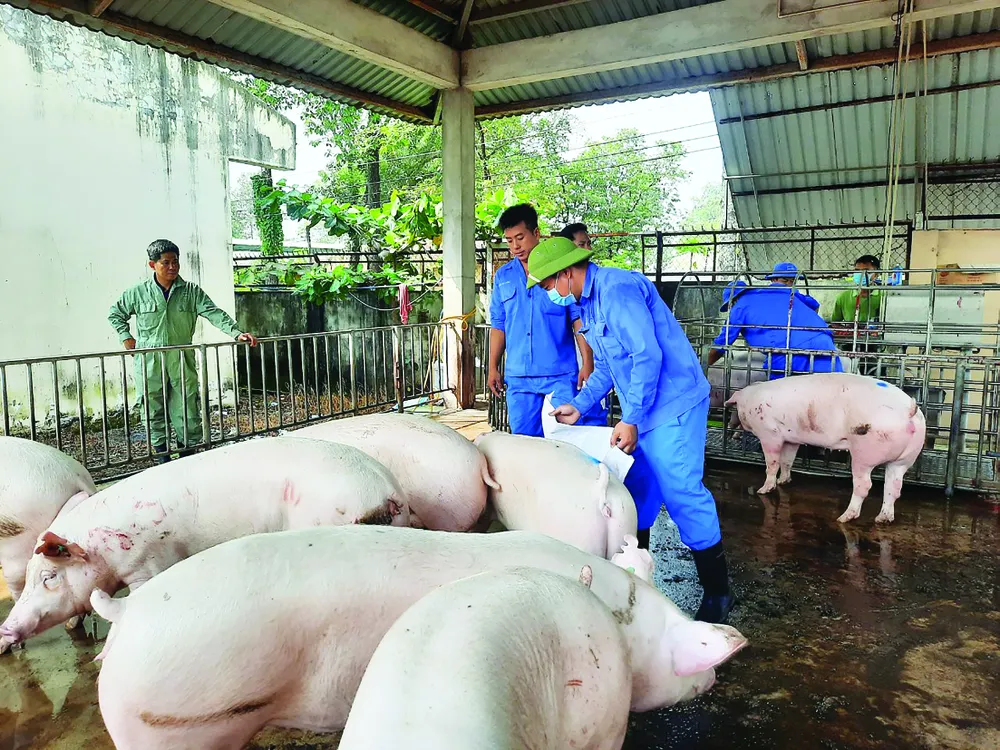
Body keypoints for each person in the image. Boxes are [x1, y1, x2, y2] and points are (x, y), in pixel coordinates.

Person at [527, 236, 734, 624]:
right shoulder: (587, 305)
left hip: (673, 403)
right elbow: (607, 366)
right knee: (638, 486)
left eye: (547, 284)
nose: (548, 293)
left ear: (567, 272)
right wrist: (580, 405)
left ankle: (718, 591)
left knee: (680, 490)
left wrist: (632, 418)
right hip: (645, 407)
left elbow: (647, 355)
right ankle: (637, 578)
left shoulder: (617, 290)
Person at [108, 239, 258, 463]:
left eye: (175, 262)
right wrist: (126, 337)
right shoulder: (138, 293)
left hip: (181, 359)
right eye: (165, 262)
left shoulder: (190, 292)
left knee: (187, 406)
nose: (172, 267)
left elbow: (213, 312)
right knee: (151, 406)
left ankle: (186, 459)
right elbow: (115, 314)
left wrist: (237, 333)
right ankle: (162, 459)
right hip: (149, 360)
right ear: (152, 265)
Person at [488, 205, 607, 436]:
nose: (515, 246)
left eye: (520, 237)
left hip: (559, 374)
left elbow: (577, 320)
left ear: (536, 233)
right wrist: (493, 367)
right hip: (518, 375)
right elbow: (498, 324)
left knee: (564, 436)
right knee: (523, 441)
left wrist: (587, 362)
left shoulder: (560, 269)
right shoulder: (503, 276)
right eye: (509, 240)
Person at [705, 262, 843, 378]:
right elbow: (814, 305)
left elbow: (721, 344)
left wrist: (701, 368)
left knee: (784, 402)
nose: (789, 283)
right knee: (831, 395)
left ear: (731, 302)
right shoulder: (786, 293)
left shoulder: (740, 306)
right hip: (825, 345)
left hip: (788, 351)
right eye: (786, 280)